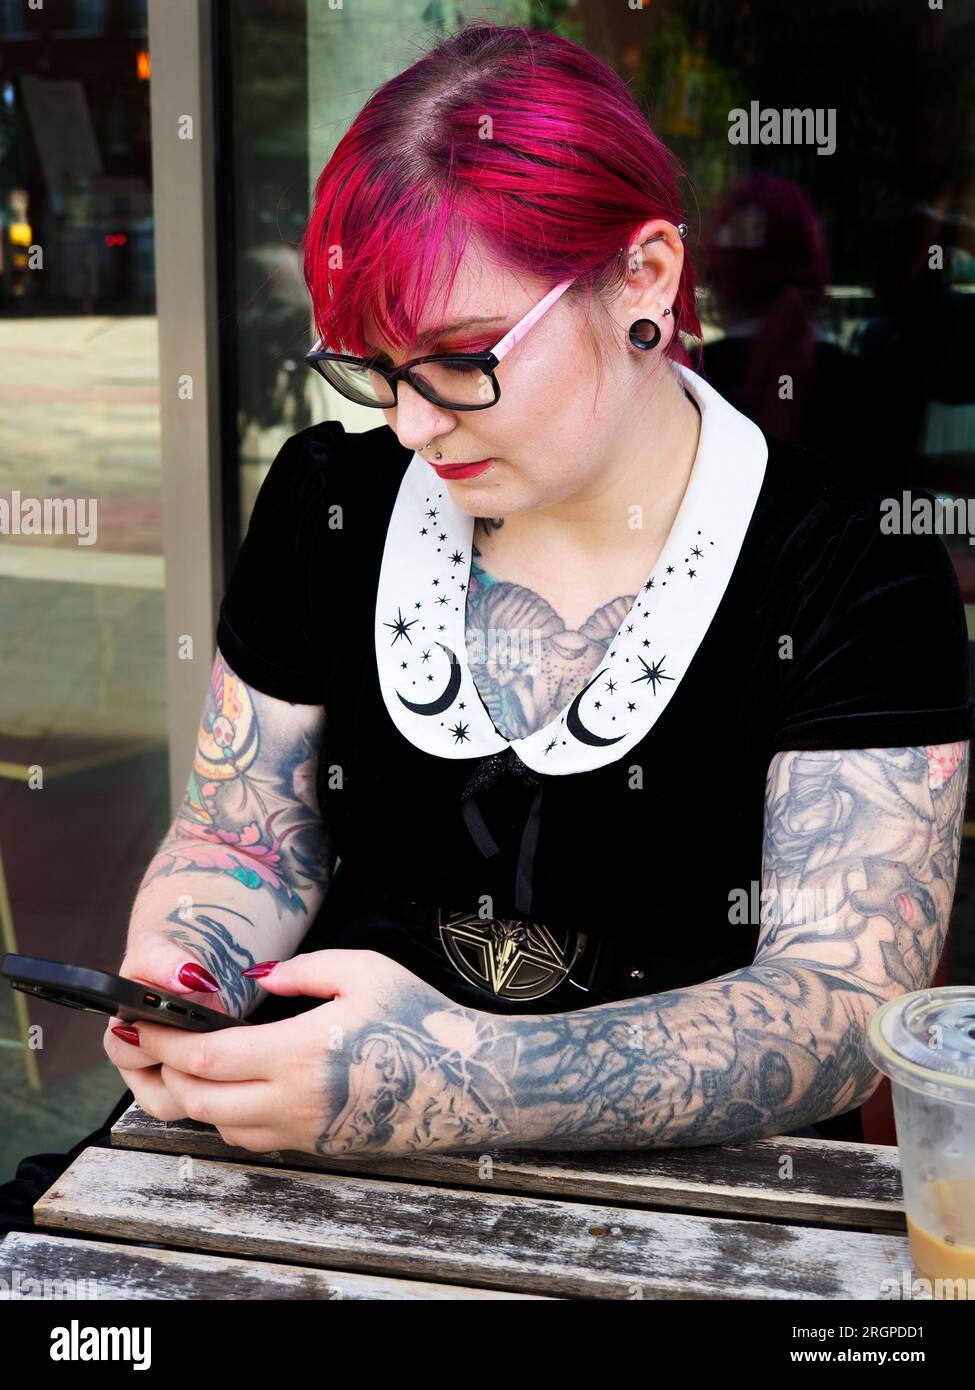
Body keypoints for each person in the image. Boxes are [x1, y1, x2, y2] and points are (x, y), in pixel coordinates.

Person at [3, 26, 971, 1231]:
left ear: (647, 278)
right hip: (306, 1150)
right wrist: (190, 979)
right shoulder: (328, 500)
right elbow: (245, 838)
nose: (412, 423)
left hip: (700, 1213)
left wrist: (462, 1079)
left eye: (461, 361)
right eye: (377, 368)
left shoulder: (849, 565)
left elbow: (835, 1009)